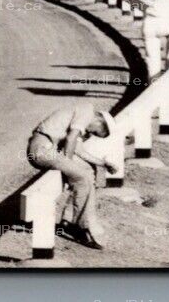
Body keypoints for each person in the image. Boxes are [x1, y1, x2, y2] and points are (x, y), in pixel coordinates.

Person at [26, 103, 115, 249]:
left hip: (47, 148)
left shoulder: (81, 116)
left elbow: (78, 149)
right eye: (96, 132)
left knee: (89, 170)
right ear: (100, 121)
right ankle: (81, 226)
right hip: (42, 148)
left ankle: (68, 219)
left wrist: (102, 163)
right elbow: (70, 140)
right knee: (83, 177)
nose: (90, 133)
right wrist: (69, 163)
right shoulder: (87, 110)